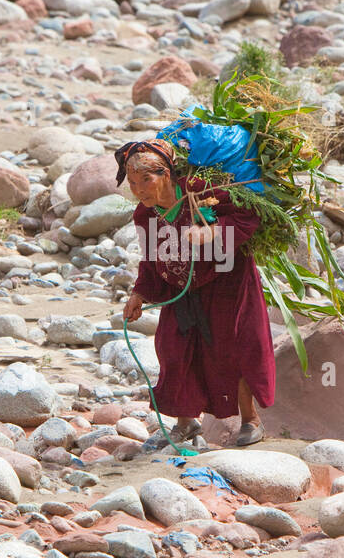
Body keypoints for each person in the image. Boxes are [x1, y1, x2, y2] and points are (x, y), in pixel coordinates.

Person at [116, 138, 275, 448]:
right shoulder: (145, 216)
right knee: (173, 350)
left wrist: (213, 231)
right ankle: (186, 422)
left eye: (145, 180)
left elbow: (249, 215)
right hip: (184, 290)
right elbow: (151, 258)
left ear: (167, 174)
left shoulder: (200, 190)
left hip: (228, 283)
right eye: (132, 183)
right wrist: (139, 294)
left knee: (235, 347)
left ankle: (250, 420)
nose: (139, 190)